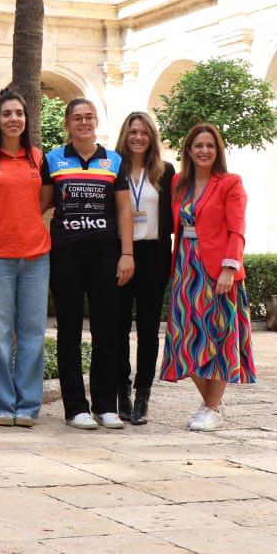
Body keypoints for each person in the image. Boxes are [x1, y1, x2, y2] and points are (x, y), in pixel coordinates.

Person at [43, 98, 135, 430]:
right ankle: (75, 408)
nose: (84, 122)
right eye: (77, 118)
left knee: (106, 330)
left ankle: (105, 405)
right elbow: (42, 207)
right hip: (65, 256)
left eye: (89, 117)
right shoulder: (53, 159)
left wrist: (127, 254)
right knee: (68, 331)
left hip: (105, 257)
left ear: (97, 122)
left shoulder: (113, 161)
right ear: (68, 123)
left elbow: (124, 209)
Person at [162, 123, 255, 431]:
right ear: (188, 150)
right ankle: (211, 404)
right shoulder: (179, 183)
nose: (204, 151)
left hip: (217, 270)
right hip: (185, 268)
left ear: (218, 151)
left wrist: (230, 268)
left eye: (210, 146)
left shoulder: (230, 183)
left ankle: (211, 407)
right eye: (198, 145)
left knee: (216, 337)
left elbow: (237, 228)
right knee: (185, 340)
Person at [0, 89, 50, 427]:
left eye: (19, 113)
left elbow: (44, 201)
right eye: (7, 114)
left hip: (36, 255)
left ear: (26, 118)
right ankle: (1, 404)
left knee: (32, 332)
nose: (14, 119)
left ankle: (28, 406)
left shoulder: (37, 157)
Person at [113, 112, 176, 425]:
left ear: (151, 137)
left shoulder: (165, 172)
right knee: (119, 326)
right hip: (122, 254)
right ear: (125, 136)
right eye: (132, 132)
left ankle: (143, 394)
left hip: (154, 256)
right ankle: (121, 390)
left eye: (144, 133)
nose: (138, 137)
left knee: (149, 330)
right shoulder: (114, 168)